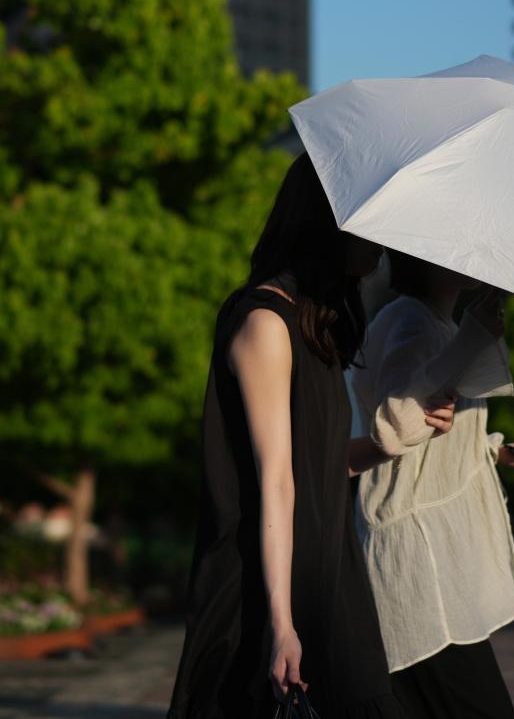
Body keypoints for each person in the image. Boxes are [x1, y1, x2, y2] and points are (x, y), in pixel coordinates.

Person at [168, 154, 450, 718]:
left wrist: (396, 440)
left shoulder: (314, 327)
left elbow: (316, 465)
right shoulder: (266, 325)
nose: (380, 246)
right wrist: (283, 623)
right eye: (367, 225)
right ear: (327, 224)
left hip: (324, 571)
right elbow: (275, 482)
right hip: (266, 587)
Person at [351, 249, 514, 718]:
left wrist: (506, 454)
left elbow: (440, 437)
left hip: (435, 562)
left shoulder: (439, 324)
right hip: (417, 562)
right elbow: (397, 427)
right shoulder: (408, 321)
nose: (475, 258)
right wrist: (474, 339)